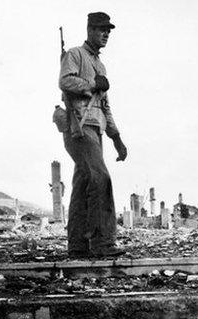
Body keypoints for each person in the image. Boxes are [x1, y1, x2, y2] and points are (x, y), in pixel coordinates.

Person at [59, 12, 127, 258]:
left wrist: (116, 137)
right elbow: (65, 82)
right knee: (101, 179)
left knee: (84, 183)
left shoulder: (100, 65)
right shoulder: (75, 54)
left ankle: (77, 245)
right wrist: (91, 85)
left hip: (95, 130)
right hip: (79, 126)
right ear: (89, 30)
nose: (106, 33)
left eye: (108, 30)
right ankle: (103, 243)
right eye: (101, 29)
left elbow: (105, 106)